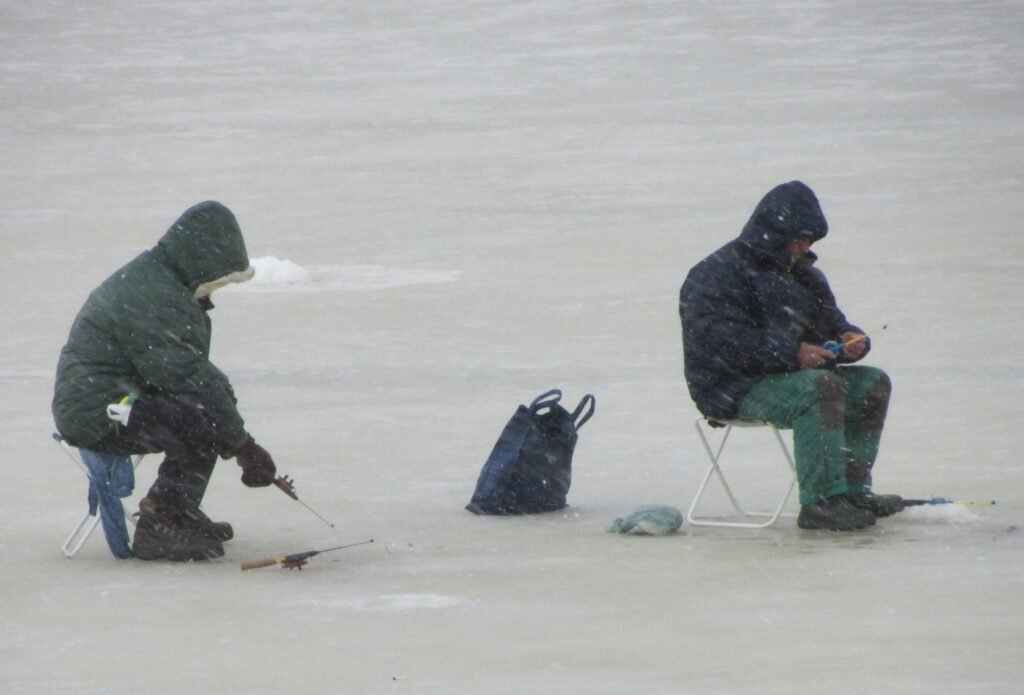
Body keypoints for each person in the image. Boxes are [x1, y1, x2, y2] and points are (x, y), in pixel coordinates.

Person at [53, 201, 278, 560]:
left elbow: (191, 375)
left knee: (207, 411)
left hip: (116, 399)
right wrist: (244, 447)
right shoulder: (156, 296)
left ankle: (179, 511)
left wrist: (234, 431)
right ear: (202, 261)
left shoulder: (162, 281)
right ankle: (162, 522)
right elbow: (187, 378)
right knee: (200, 416)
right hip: (97, 410)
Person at [679, 181, 903, 531]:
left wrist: (848, 338)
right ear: (770, 232)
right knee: (821, 388)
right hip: (732, 386)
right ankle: (822, 501)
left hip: (790, 377)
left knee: (873, 383)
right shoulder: (716, 274)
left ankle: (853, 491)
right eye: (797, 237)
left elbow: (830, 324)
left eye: (809, 239)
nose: (803, 246)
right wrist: (791, 352)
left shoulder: (807, 276)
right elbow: (717, 341)